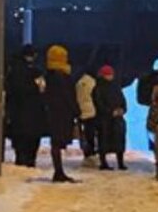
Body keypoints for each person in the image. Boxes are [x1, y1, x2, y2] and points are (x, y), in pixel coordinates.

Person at [42, 45, 80, 183]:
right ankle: (59, 172)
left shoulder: (49, 76)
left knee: (56, 142)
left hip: (54, 113)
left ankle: (59, 171)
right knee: (58, 142)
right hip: (62, 114)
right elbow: (67, 95)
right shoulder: (61, 76)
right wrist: (76, 110)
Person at [7, 45, 47, 167]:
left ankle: (21, 160)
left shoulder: (13, 70)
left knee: (20, 139)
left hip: (17, 112)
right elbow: (42, 89)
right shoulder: (35, 72)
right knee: (31, 140)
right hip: (33, 112)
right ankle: (29, 161)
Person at [93, 65, 128, 171]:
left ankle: (120, 162)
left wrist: (122, 110)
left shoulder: (116, 87)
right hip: (104, 119)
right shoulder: (98, 88)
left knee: (119, 139)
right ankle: (103, 162)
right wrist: (110, 112)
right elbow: (98, 104)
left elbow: (123, 101)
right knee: (104, 139)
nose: (110, 76)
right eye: (108, 74)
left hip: (117, 118)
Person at [76, 68, 99, 165]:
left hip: (81, 111)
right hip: (91, 111)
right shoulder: (93, 82)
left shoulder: (79, 82)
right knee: (91, 134)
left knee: (84, 134)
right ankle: (91, 154)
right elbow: (96, 96)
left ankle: (86, 153)